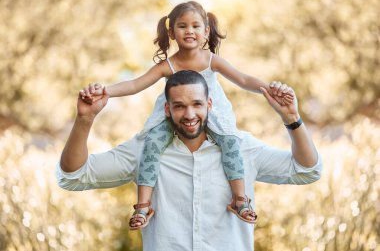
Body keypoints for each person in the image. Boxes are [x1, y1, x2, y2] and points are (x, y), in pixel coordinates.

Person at [79, 1, 294, 229]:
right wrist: (106, 92)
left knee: (230, 143)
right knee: (152, 144)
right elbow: (135, 84)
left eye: (195, 26)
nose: (189, 31)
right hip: (174, 115)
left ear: (206, 31)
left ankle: (240, 200)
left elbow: (243, 79)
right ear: (172, 32)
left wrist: (268, 89)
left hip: (210, 113)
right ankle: (143, 206)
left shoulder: (211, 60)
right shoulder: (168, 65)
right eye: (182, 26)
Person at [57, 70, 322, 251]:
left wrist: (292, 118)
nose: (189, 114)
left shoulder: (241, 149)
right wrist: (85, 120)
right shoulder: (144, 150)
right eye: (180, 106)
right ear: (167, 109)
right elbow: (73, 175)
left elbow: (307, 170)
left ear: (209, 104)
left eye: (196, 104)